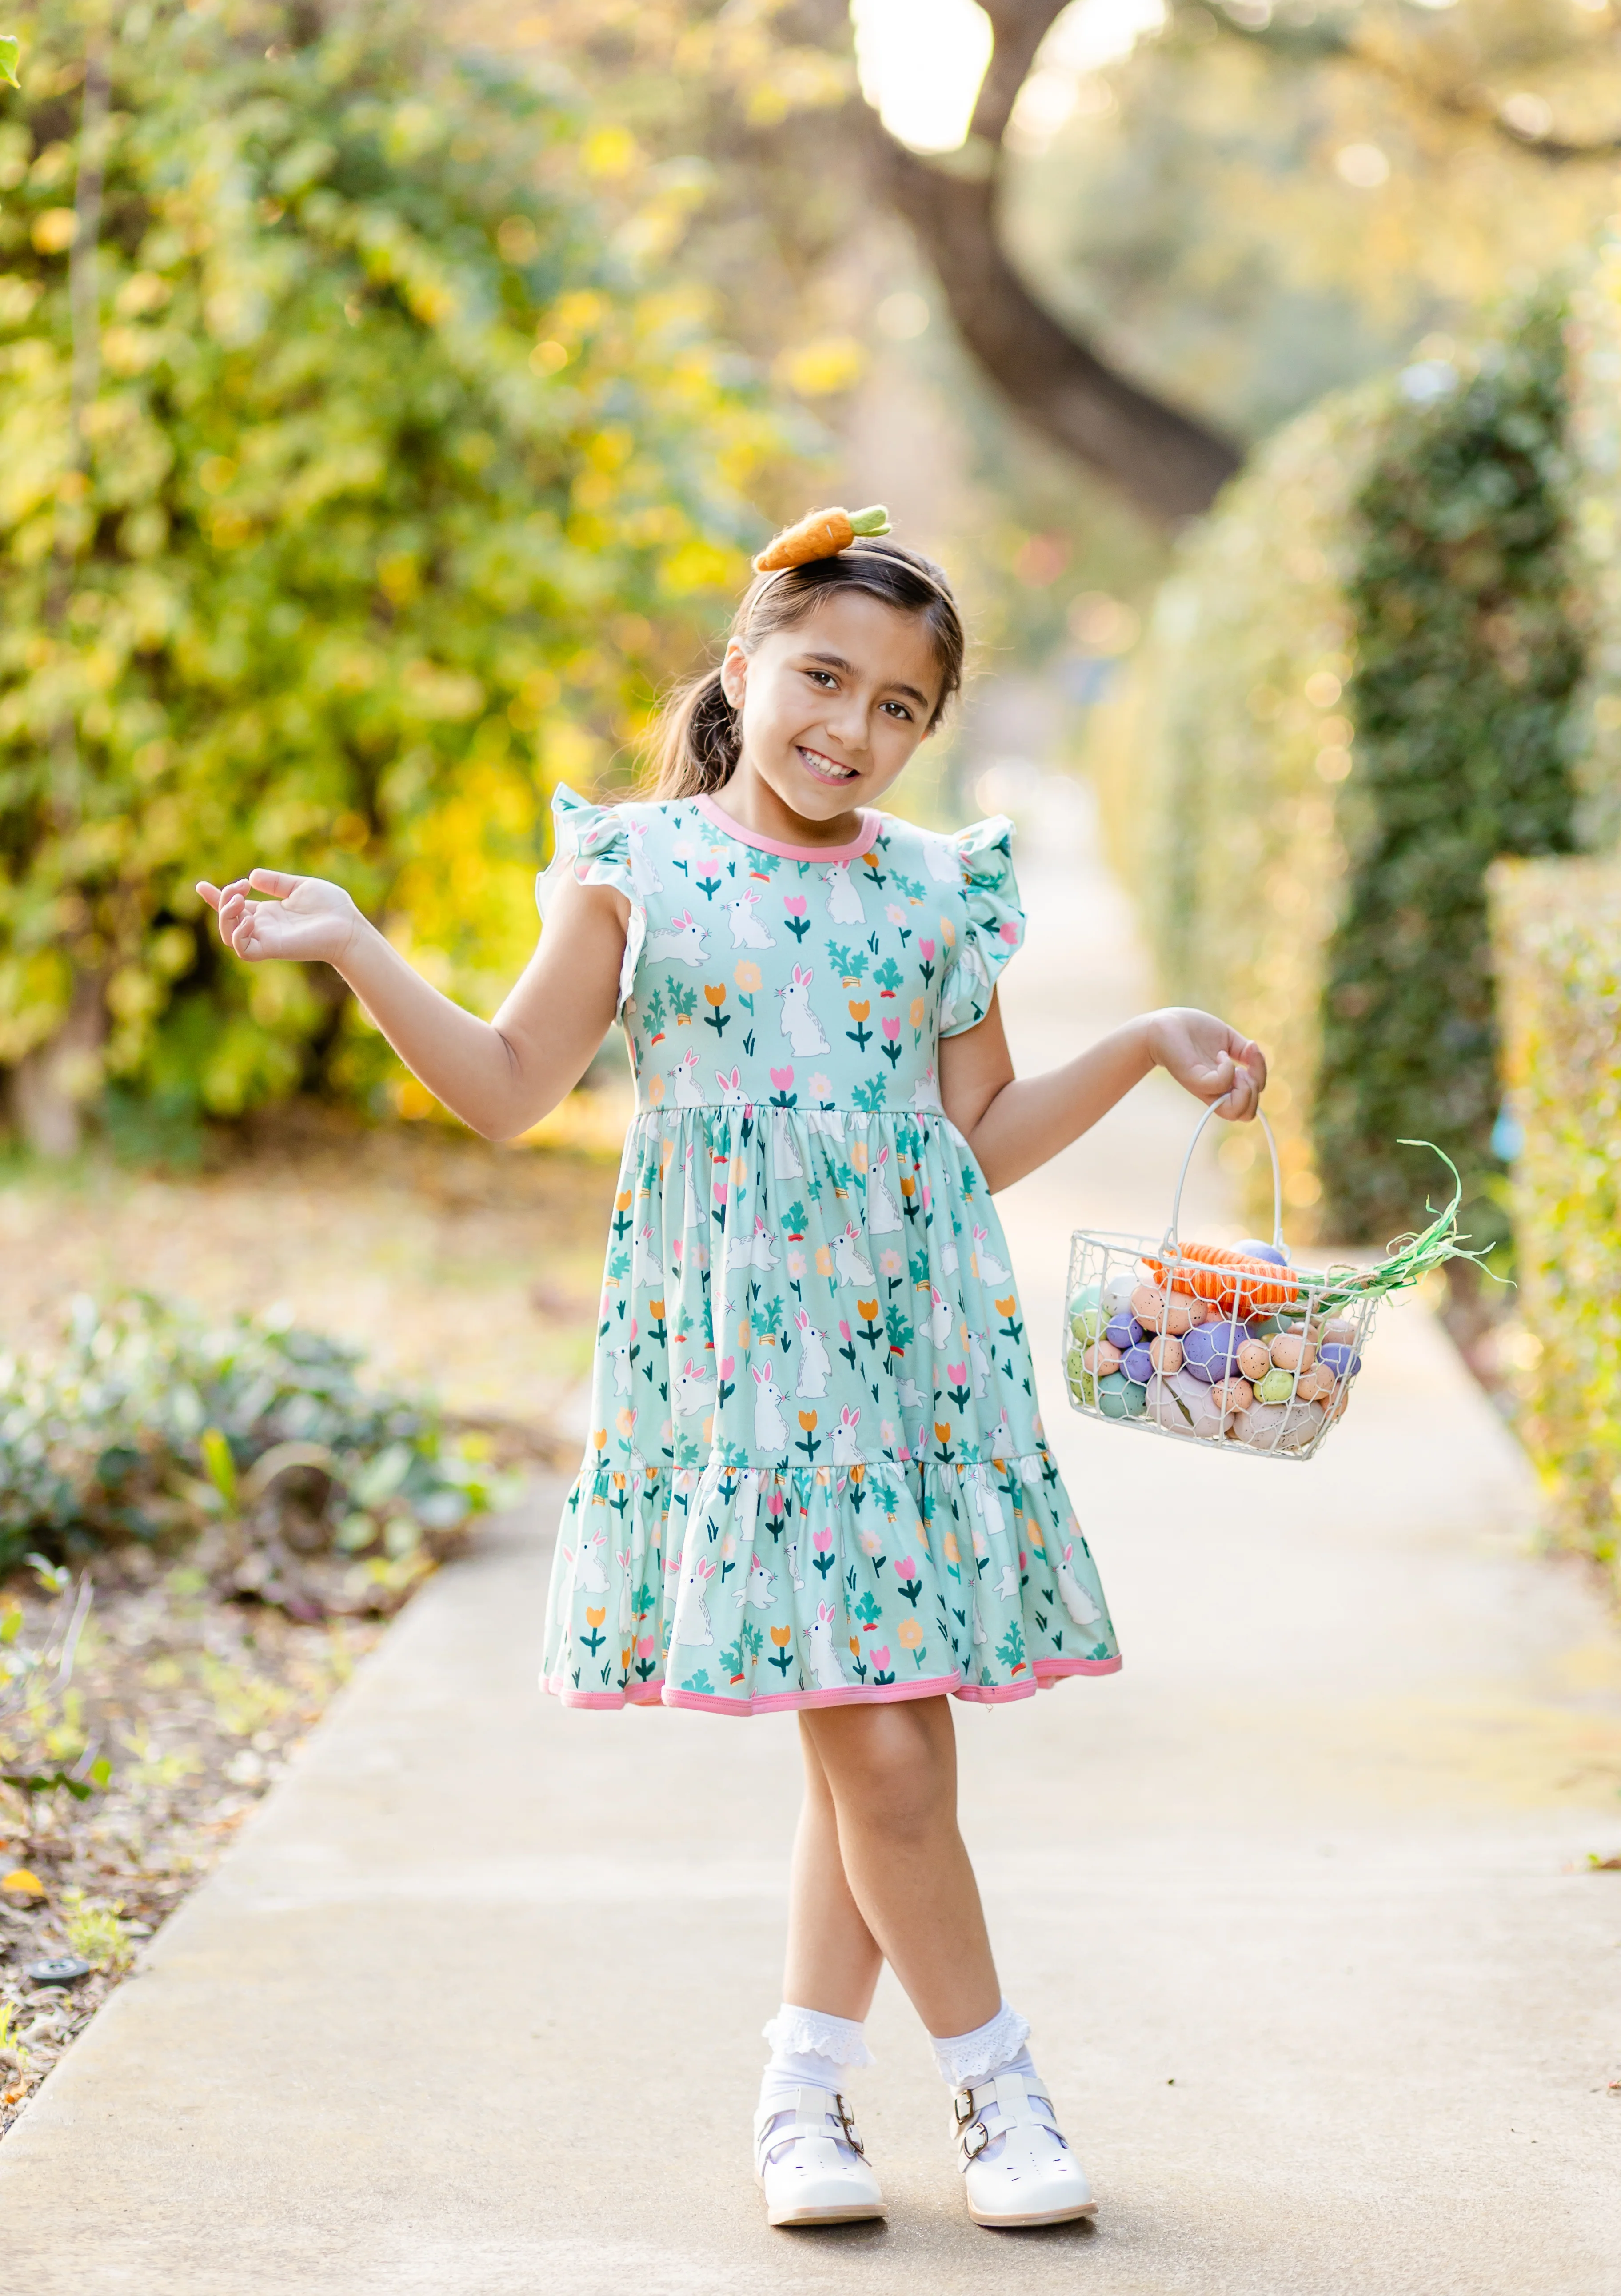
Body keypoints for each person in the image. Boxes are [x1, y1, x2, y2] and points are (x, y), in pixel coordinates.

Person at [198, 510, 1265, 2233]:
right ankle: (996, 2091)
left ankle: (804, 2102)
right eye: (823, 678)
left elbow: (975, 1135)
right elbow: (502, 1084)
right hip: (751, 1389)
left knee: (875, 1756)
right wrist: (352, 944)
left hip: (913, 1372)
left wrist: (1143, 1049)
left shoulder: (936, 889)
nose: (851, 729)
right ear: (744, 666)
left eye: (899, 706)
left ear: (930, 730)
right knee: (891, 1758)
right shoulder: (641, 867)